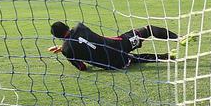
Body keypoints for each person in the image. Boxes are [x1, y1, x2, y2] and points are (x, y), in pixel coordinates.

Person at [48, 21, 185, 71]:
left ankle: (167, 56)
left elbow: (82, 67)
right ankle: (178, 39)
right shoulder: (79, 27)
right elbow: (80, 39)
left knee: (133, 59)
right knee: (148, 30)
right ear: (66, 25)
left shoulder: (67, 50)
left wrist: (63, 49)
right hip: (120, 44)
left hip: (114, 64)